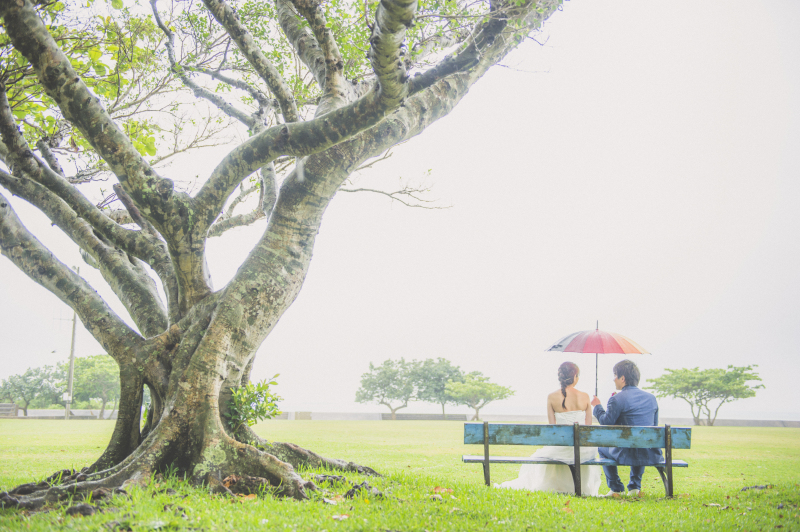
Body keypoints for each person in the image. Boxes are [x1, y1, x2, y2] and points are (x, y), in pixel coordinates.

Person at [496, 362, 601, 495]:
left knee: (548, 453)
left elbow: (553, 428)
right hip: (582, 450)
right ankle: (577, 487)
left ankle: (558, 485)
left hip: (560, 447)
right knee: (581, 452)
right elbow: (588, 428)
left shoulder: (551, 397)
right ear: (574, 377)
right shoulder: (585, 396)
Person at [591, 359, 662, 498]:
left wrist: (598, 406)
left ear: (622, 378)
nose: (614, 379)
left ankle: (616, 488)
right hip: (650, 452)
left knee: (602, 448)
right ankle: (635, 487)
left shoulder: (617, 399)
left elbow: (606, 422)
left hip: (625, 453)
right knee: (641, 442)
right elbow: (653, 426)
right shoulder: (651, 398)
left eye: (615, 375)